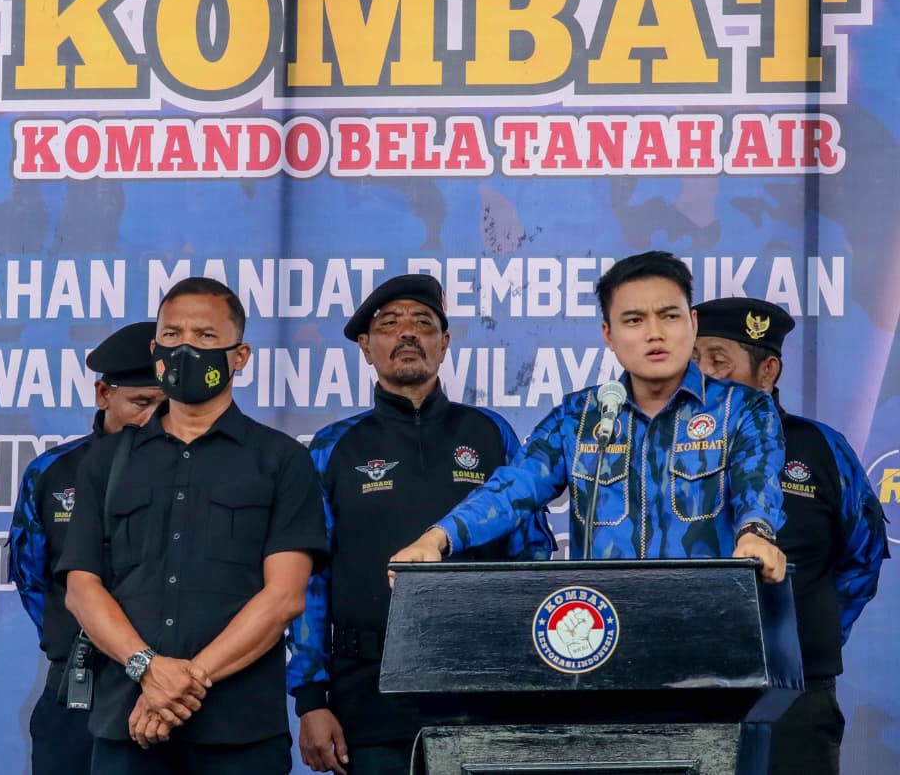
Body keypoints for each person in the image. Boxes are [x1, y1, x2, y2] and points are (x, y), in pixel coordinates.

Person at [57, 276, 327, 775]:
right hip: (127, 727)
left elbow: (284, 597)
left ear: (239, 356)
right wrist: (146, 668)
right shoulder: (106, 463)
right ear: (155, 350)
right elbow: (82, 588)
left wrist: (181, 682)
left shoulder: (281, 460)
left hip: (240, 733)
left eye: (205, 336)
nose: (186, 348)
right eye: (172, 335)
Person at [286, 274, 555, 775]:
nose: (407, 332)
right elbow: (309, 580)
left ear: (444, 342)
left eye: (424, 323)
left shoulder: (491, 433)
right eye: (389, 324)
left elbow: (532, 558)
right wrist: (310, 700)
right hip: (367, 698)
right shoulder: (331, 447)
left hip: (484, 693)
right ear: (366, 347)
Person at [391, 250, 787, 583]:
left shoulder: (743, 409)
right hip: (604, 629)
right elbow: (514, 488)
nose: (655, 333)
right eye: (634, 320)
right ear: (608, 335)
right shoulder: (579, 417)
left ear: (692, 324)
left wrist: (756, 534)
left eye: (669, 316)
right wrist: (437, 538)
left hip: (710, 625)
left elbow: (758, 486)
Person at [693, 297, 888, 775]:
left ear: (767, 372)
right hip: (688, 688)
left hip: (794, 696)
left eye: (718, 360)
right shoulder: (662, 448)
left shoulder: (821, 448)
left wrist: (802, 634)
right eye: (692, 360)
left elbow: (862, 556)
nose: (701, 375)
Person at [8, 321, 166, 774]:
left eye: (166, 405)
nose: (154, 418)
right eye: (141, 403)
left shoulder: (198, 469)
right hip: (79, 683)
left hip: (167, 685)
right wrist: (79, 634)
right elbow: (31, 577)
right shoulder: (53, 472)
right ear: (103, 394)